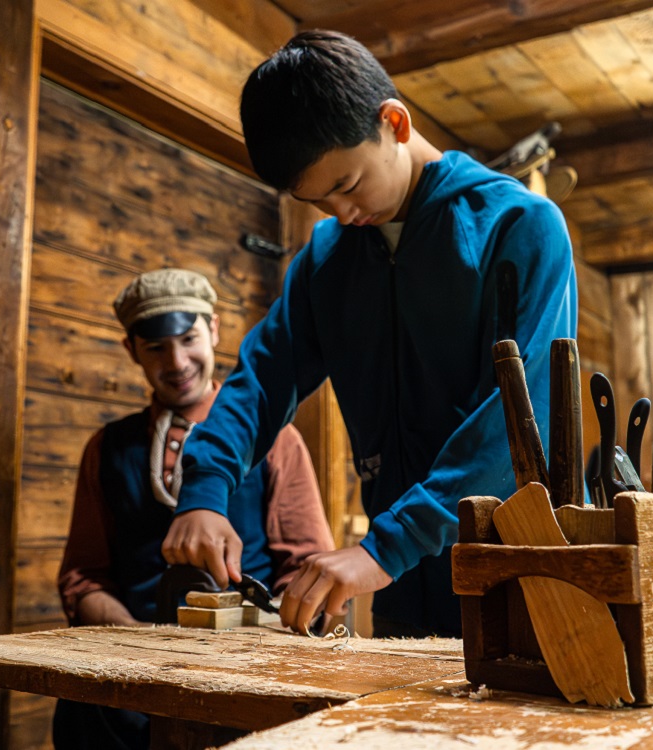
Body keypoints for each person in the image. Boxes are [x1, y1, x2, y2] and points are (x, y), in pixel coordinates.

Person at [162, 30, 578, 640]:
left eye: (348, 184)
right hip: (401, 588)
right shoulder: (325, 261)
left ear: (394, 123)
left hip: (521, 569)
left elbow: (520, 422)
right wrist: (205, 487)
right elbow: (261, 379)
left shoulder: (519, 227)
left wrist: (386, 547)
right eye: (321, 201)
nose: (343, 214)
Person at [53, 267, 335, 750]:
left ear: (215, 329)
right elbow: (84, 578)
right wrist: (142, 647)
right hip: (125, 679)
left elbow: (305, 570)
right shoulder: (107, 447)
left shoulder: (276, 441)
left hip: (245, 677)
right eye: (157, 348)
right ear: (131, 350)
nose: (177, 360)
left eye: (188, 338)